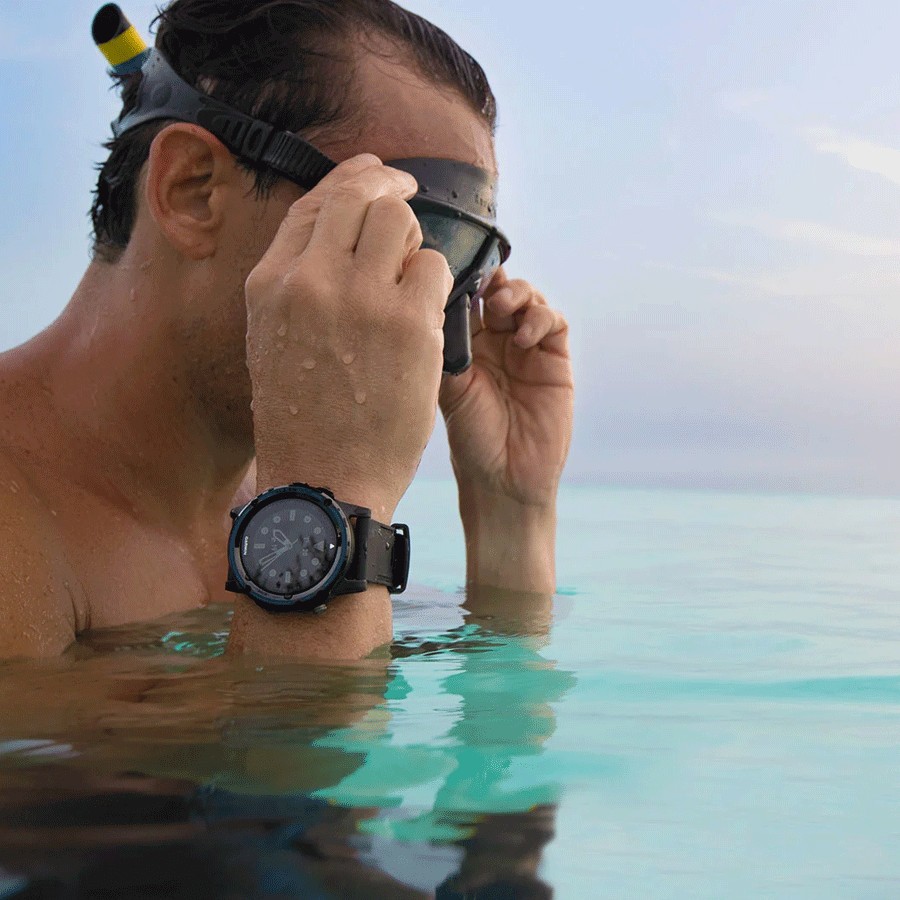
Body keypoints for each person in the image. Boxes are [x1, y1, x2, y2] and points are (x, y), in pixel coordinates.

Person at [0, 0, 574, 660]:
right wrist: (334, 501)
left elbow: (495, 713)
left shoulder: (257, 502)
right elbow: (305, 733)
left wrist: (512, 512)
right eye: (402, 229)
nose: (432, 316)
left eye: (466, 263)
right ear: (193, 190)